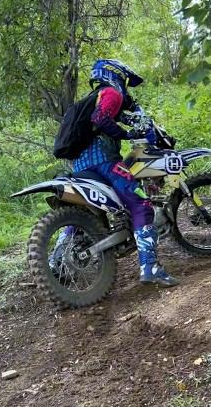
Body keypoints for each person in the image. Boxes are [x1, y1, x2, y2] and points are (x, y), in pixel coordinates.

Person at [65, 59, 178, 286]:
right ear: (115, 75)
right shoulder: (111, 93)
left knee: (77, 214)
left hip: (79, 166)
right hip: (103, 162)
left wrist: (136, 118)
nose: (126, 87)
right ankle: (150, 267)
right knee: (141, 204)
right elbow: (100, 118)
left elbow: (125, 118)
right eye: (125, 81)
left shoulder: (93, 98)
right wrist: (126, 135)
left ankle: (55, 262)